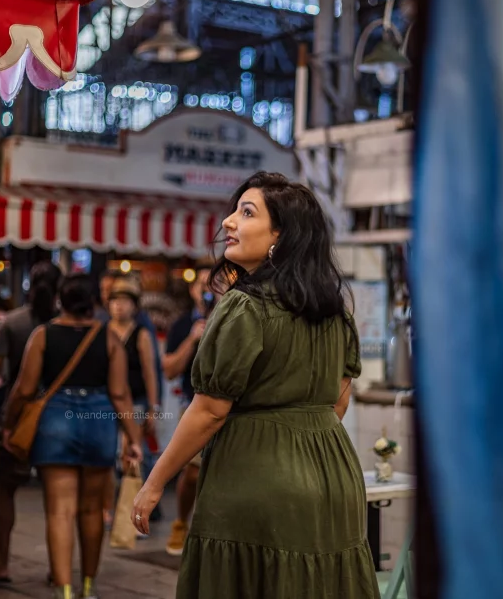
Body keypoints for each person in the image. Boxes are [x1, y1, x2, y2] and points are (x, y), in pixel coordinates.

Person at [131, 172, 380, 598]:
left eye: (246, 212)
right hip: (335, 479)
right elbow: (338, 402)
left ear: (280, 238)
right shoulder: (334, 313)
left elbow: (209, 411)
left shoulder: (245, 308)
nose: (228, 221)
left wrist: (154, 483)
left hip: (257, 478)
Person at [2, 274, 143, 599]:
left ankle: (64, 590)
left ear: (59, 301)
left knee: (59, 511)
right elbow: (120, 395)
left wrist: (8, 425)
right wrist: (134, 439)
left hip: (55, 420)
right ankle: (89, 587)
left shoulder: (43, 335)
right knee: (92, 511)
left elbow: (24, 389)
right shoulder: (108, 338)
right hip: (98, 420)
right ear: (94, 302)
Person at [0, 262, 61, 586]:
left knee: (6, 489)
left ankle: (2, 563)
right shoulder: (64, 326)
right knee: (57, 496)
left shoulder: (12, 323)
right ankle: (56, 567)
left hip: (17, 417)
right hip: (58, 417)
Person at [160, 266, 210, 555]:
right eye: (201, 284)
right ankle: (181, 522)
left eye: (212, 283)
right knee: (191, 473)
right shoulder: (182, 325)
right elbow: (168, 370)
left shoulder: (233, 314)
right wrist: (193, 338)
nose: (207, 290)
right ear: (192, 290)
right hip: (192, 405)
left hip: (228, 409)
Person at [106, 276, 161, 521]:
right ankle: (114, 509)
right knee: (111, 455)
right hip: (107, 402)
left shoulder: (141, 334)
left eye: (125, 301)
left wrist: (153, 407)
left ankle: (144, 509)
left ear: (134, 306)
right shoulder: (104, 331)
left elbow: (150, 372)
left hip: (136, 401)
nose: (119, 306)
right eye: (115, 301)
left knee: (137, 456)